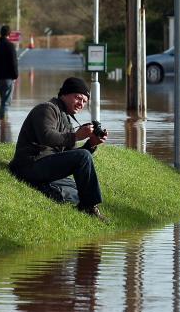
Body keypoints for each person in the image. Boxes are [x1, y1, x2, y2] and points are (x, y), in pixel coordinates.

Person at [9, 77, 109, 221]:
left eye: (84, 102)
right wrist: (76, 135)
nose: (81, 104)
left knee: (79, 189)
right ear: (65, 94)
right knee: (81, 166)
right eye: (78, 98)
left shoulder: (66, 118)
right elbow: (46, 137)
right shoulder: (46, 109)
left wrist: (91, 144)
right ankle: (88, 207)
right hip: (29, 165)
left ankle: (80, 201)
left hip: (44, 165)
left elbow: (72, 155)